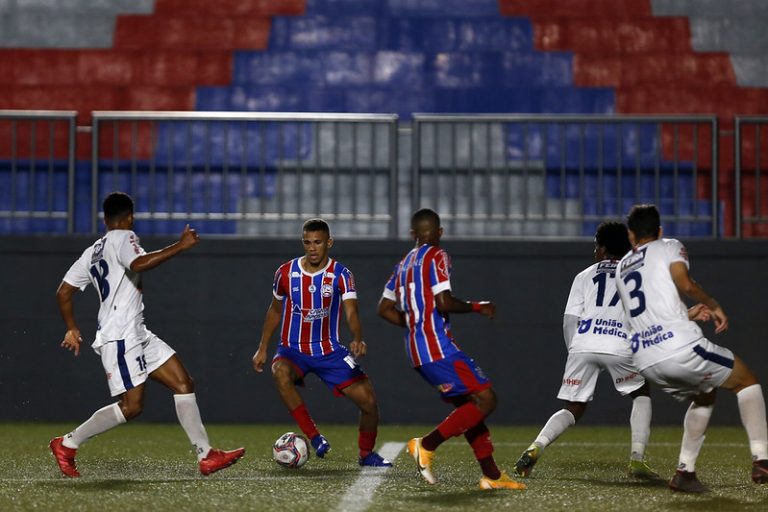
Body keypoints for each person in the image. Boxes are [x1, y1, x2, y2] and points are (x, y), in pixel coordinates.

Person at [51, 191, 244, 478]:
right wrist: (180, 246)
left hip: (136, 332)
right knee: (132, 406)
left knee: (183, 383)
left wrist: (71, 327)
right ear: (130, 217)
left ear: (105, 219)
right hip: (121, 336)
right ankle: (67, 443)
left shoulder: (93, 250)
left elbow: (64, 291)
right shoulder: (125, 237)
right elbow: (138, 264)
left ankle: (206, 455)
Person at [615, 204, 768, 492]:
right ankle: (763, 459)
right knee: (747, 381)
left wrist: (686, 314)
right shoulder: (668, 245)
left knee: (705, 393)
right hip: (679, 347)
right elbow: (685, 284)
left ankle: (685, 472)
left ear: (631, 235)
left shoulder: (622, 267)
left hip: (646, 360)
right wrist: (713, 305)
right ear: (659, 231)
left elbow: (640, 316)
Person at [377, 208, 525, 490]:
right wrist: (477, 307)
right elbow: (443, 302)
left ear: (412, 235)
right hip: (437, 346)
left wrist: (413, 324)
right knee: (487, 400)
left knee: (469, 408)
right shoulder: (437, 255)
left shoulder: (403, 264)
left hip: (417, 349)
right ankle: (426, 445)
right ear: (439, 233)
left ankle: (492, 475)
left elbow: (383, 309)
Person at [514, 221, 662, 479]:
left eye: (596, 244)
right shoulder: (637, 275)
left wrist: (575, 349)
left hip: (583, 343)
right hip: (620, 344)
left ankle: (536, 446)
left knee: (574, 406)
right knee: (641, 393)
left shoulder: (584, 275)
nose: (595, 249)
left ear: (603, 249)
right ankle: (637, 459)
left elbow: (570, 319)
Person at [252, 218, 391, 467]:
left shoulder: (341, 274)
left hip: (329, 351)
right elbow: (274, 311)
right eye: (307, 242)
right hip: (292, 350)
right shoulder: (285, 273)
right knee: (279, 373)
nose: (312, 248)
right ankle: (315, 437)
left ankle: (366, 454)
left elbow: (351, 313)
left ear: (329, 243)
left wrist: (357, 337)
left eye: (317, 242)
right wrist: (263, 347)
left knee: (369, 402)